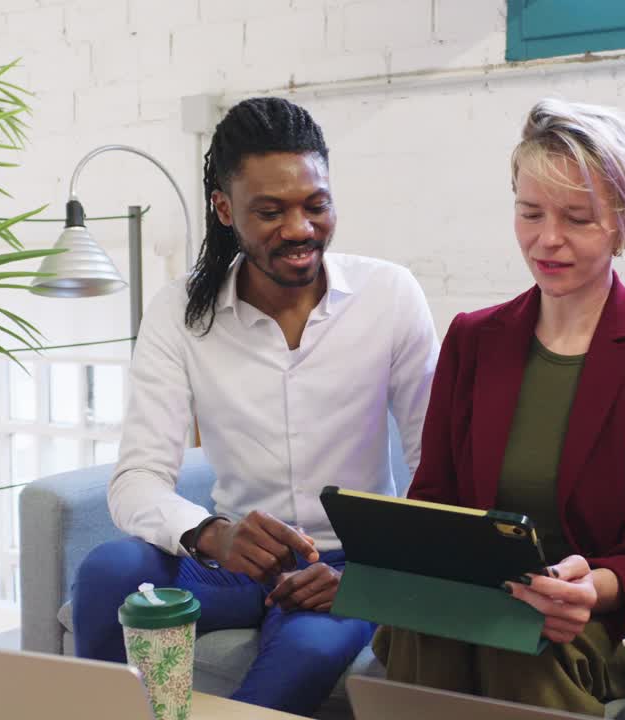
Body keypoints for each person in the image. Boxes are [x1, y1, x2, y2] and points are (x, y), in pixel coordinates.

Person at [70, 96, 439, 716]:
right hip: (231, 560)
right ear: (224, 209)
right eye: (270, 211)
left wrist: (374, 576)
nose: (299, 229)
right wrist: (213, 533)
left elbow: (437, 467)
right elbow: (136, 479)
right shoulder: (180, 314)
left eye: (315, 205)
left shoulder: (389, 295)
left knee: (311, 650)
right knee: (110, 570)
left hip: (345, 563)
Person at [372, 98, 625, 716]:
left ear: (623, 223)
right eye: (530, 213)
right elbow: (433, 498)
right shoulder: (474, 340)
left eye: (577, 219)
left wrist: (590, 589)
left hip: (584, 622)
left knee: (516, 633)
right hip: (467, 604)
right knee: (438, 621)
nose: (546, 239)